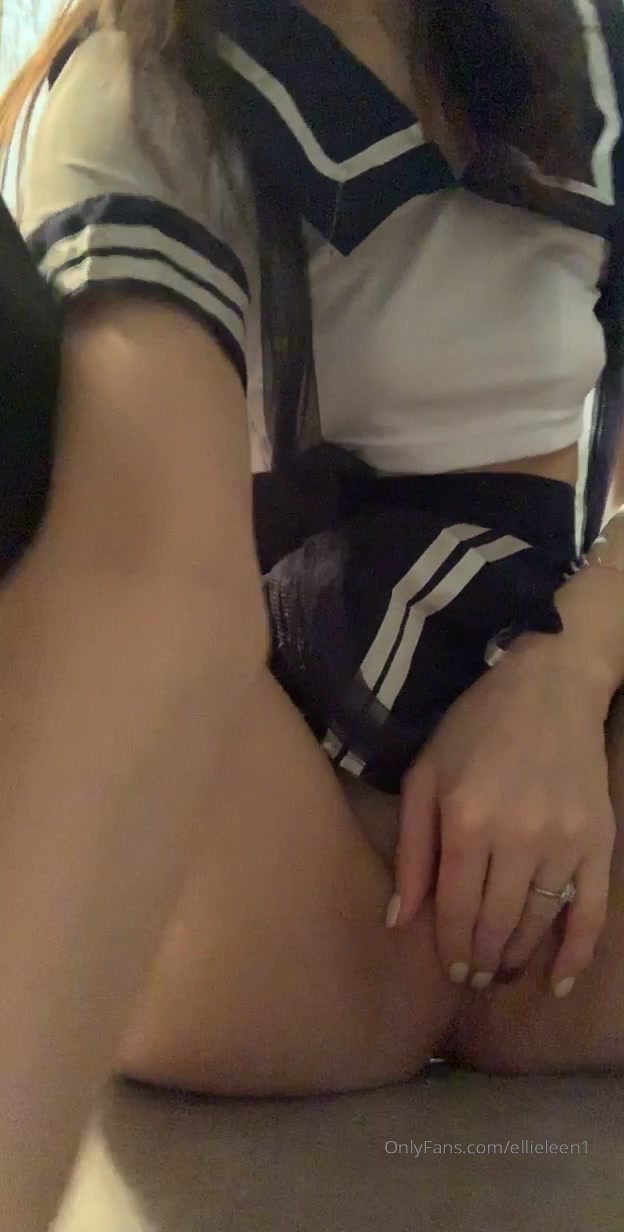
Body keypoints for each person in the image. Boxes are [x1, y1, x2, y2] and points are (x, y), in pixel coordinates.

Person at [1, 1, 624, 1227]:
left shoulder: (585, 50)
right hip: (291, 880)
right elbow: (153, 594)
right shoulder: (137, 87)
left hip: (572, 832)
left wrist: (564, 674)